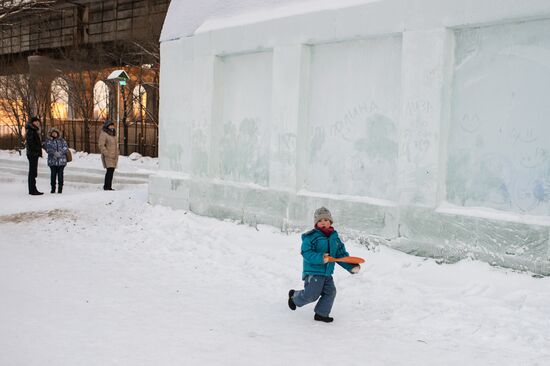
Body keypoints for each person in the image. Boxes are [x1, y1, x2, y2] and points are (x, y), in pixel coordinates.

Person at [288, 207, 360, 323]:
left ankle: (321, 313)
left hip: (327, 273)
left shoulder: (334, 238)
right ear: (316, 223)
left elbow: (340, 255)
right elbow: (306, 252)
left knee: (330, 292)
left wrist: (351, 266)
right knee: (311, 295)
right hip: (313, 272)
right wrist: (321, 258)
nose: (323, 223)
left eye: (326, 220)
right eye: (320, 221)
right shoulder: (311, 237)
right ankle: (294, 297)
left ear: (330, 222)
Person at [43, 127, 68, 194]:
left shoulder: (62, 140)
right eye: (53, 133)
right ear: (51, 134)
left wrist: (60, 153)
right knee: (53, 175)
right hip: (52, 161)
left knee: (60, 176)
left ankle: (60, 189)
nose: (54, 134)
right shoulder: (49, 141)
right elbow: (48, 149)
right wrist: (54, 153)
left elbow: (65, 148)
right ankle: (53, 189)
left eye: (55, 133)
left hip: (61, 161)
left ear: (57, 133)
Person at [98, 120, 119, 191]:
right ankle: (107, 187)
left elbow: (115, 145)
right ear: (107, 126)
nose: (112, 126)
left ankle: (108, 186)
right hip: (108, 156)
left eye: (112, 125)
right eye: (110, 125)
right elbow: (101, 145)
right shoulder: (104, 134)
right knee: (109, 170)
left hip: (114, 156)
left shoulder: (113, 134)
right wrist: (106, 153)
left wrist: (117, 153)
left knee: (111, 171)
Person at [25, 116, 43, 195]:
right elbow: (30, 143)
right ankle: (32, 190)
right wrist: (37, 149)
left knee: (33, 172)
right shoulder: (31, 131)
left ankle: (33, 189)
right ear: (32, 122)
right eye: (36, 122)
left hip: (33, 153)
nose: (37, 123)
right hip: (32, 154)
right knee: (32, 172)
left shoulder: (33, 130)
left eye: (38, 122)